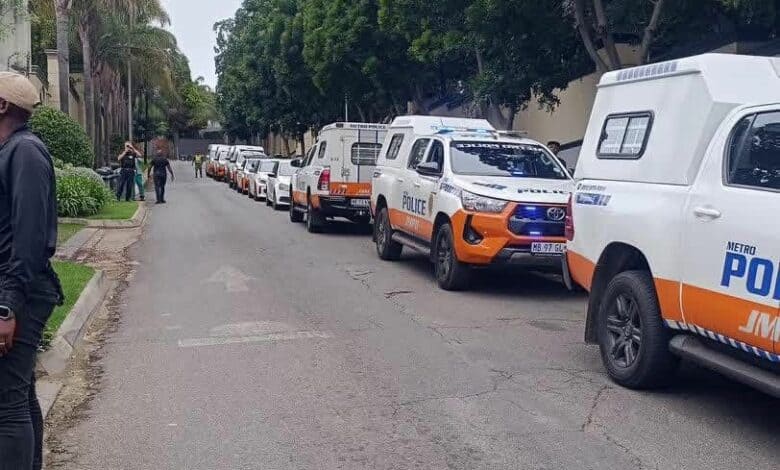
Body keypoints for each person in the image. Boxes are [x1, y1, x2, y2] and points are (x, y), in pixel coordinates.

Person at [0, 72, 63, 470]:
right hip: (16, 289)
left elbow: (28, 238)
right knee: (18, 395)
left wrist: (6, 307)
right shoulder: (12, 151)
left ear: (3, 106)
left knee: (6, 403)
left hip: (21, 292)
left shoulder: (25, 153)